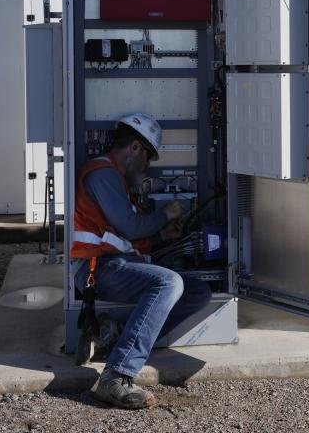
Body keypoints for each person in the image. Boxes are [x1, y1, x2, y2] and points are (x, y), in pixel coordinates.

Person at [70, 112, 212, 409]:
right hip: (94, 269)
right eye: (147, 156)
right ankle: (117, 375)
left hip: (113, 265)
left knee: (198, 292)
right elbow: (130, 228)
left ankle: (115, 336)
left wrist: (162, 238)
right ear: (134, 148)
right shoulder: (103, 174)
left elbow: (124, 237)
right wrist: (165, 215)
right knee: (168, 282)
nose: (147, 165)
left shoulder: (116, 180)